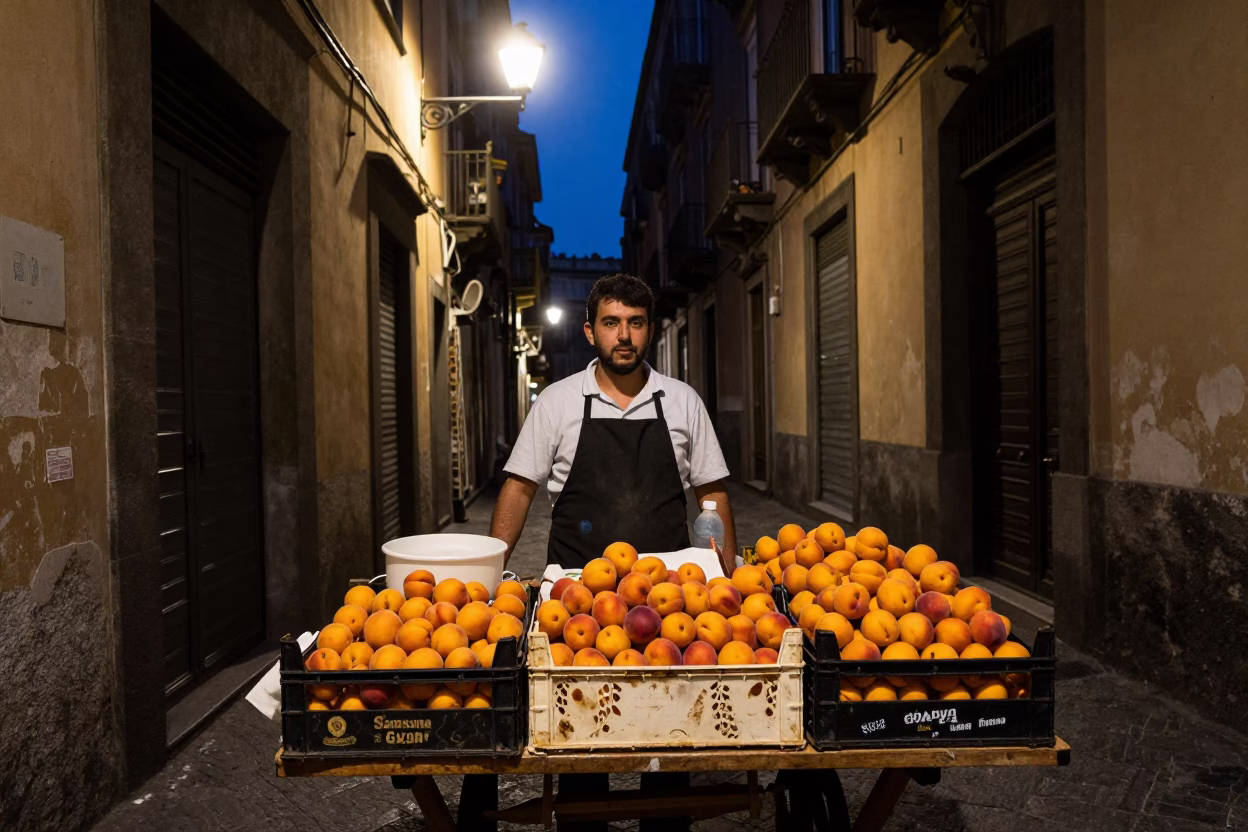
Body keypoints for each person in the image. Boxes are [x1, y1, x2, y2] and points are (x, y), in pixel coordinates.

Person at [487, 273, 736, 831]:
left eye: (635, 323)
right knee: (580, 738)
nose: (623, 335)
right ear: (590, 330)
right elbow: (519, 487)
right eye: (611, 323)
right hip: (577, 597)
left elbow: (712, 492)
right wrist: (491, 572)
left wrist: (727, 584)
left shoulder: (682, 402)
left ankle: (667, 821)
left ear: (648, 330)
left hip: (670, 599)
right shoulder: (557, 403)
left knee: (671, 734)